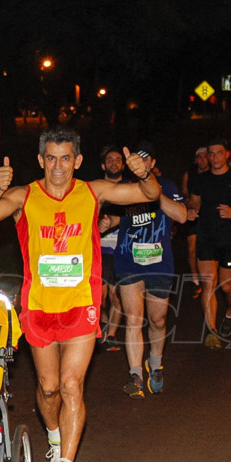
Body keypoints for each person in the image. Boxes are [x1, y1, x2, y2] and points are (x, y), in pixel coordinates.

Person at [0, 126, 160, 462]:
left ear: (78, 161)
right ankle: (54, 439)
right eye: (51, 159)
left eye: (66, 158)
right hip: (39, 309)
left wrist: (144, 173)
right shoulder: (25, 196)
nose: (59, 167)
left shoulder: (93, 192)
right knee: (49, 387)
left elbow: (148, 195)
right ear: (41, 160)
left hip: (81, 307)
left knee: (72, 385)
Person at [112, 141, 186, 397]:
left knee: (157, 320)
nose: (140, 163)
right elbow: (113, 216)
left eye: (145, 159)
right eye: (136, 159)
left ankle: (155, 365)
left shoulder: (168, 186)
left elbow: (182, 216)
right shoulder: (122, 188)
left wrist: (154, 192)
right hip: (127, 260)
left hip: (159, 263)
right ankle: (135, 376)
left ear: (153, 164)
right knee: (133, 318)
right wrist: (105, 221)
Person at [186, 139, 231, 349]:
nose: (215, 157)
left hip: (229, 239)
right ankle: (212, 331)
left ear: (226, 155)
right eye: (211, 153)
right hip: (206, 238)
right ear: (208, 156)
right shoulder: (201, 181)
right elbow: (194, 202)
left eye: (219, 153)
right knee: (209, 284)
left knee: (227, 287)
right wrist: (191, 210)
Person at [97, 146, 126, 351]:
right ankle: (104, 321)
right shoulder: (96, 191)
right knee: (100, 297)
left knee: (116, 294)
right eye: (110, 159)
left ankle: (113, 334)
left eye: (118, 159)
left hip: (123, 249)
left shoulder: (130, 189)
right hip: (100, 248)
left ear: (123, 165)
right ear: (103, 165)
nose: (114, 163)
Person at [180, 147, 210, 299]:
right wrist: (188, 202)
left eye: (206, 156)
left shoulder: (214, 175)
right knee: (192, 248)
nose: (203, 159)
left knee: (209, 250)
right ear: (196, 159)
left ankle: (209, 281)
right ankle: (195, 280)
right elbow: (183, 193)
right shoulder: (189, 175)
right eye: (200, 157)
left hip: (210, 218)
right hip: (193, 216)